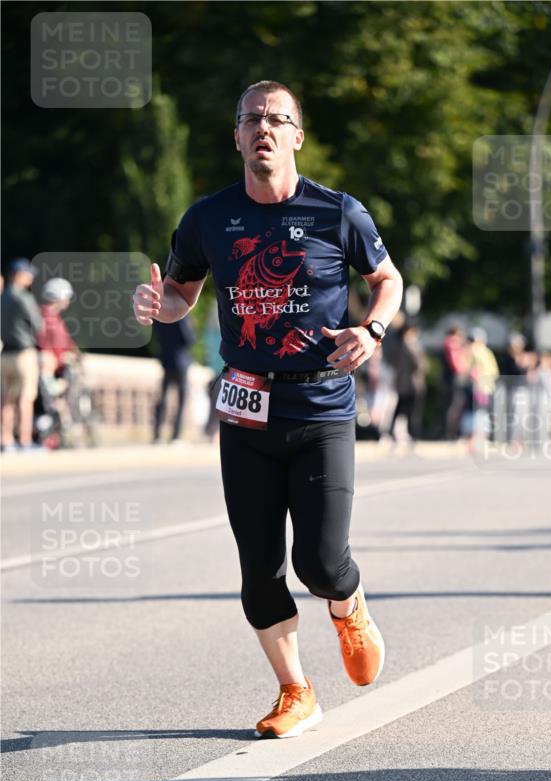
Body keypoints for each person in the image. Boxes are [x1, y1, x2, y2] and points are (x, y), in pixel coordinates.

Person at [133, 80, 403, 737]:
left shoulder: (338, 213)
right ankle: (295, 690)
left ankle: (348, 604)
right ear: (235, 135)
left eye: (277, 119)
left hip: (320, 405)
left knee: (318, 560)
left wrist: (370, 332)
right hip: (245, 408)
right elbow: (181, 293)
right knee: (258, 568)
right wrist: (158, 307)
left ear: (296, 136)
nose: (264, 128)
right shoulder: (207, 218)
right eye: (251, 118)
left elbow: (387, 280)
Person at [1, 258, 43, 450]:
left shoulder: (2, 298)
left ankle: (6, 439)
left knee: (6, 400)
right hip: (23, 353)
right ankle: (25, 440)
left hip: (4, 354)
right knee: (26, 398)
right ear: (20, 275)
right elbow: (38, 325)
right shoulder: (24, 297)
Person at [152, 316, 196, 444]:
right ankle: (175, 436)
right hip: (180, 362)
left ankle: (157, 434)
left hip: (166, 359)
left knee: (163, 398)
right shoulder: (180, 314)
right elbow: (188, 338)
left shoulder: (159, 315)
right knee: (181, 400)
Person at [388, 322, 427, 443]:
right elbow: (419, 364)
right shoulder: (410, 345)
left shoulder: (397, 345)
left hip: (402, 382)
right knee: (412, 410)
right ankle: (413, 433)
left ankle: (392, 431)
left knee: (400, 408)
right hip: (412, 383)